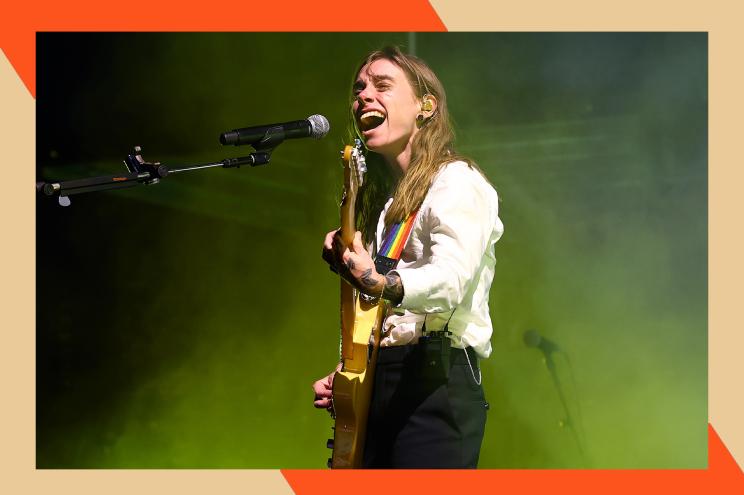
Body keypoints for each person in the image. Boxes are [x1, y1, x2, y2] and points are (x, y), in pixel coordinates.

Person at [313, 46, 504, 468]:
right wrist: (354, 377)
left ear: (426, 106)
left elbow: (451, 281)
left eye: (382, 85)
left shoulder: (458, 181)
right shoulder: (388, 209)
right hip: (389, 379)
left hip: (435, 382)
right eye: (359, 89)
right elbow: (391, 317)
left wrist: (381, 282)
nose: (364, 95)